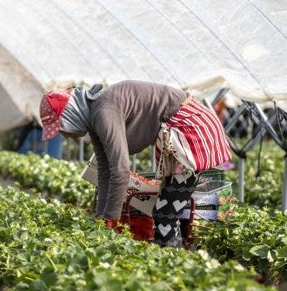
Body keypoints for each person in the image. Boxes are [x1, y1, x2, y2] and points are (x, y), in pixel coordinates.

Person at [40, 80, 231, 247]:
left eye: (61, 127)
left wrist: (110, 219)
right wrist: (101, 215)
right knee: (168, 211)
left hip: (189, 130)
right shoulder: (95, 118)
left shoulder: (104, 111)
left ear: (70, 115)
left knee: (166, 215)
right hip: (177, 132)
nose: (65, 135)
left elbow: (121, 170)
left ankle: (174, 266)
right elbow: (105, 170)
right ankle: (176, 257)